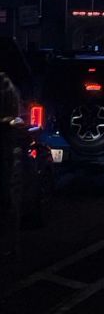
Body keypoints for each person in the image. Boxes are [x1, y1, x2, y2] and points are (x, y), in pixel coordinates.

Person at [0, 72, 23, 258]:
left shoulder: (7, 87)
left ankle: (10, 246)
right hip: (7, 148)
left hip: (5, 150)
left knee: (7, 198)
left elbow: (13, 119)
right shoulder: (9, 87)